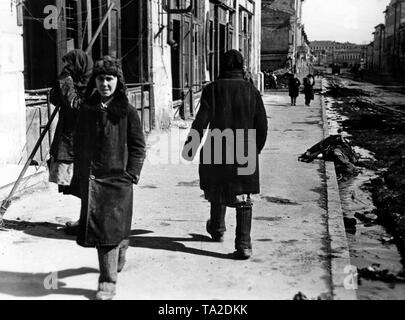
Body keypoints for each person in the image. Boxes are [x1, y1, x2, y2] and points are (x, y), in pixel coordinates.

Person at [72, 56, 146, 300]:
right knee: (104, 233)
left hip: (118, 181)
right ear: (95, 81)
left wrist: (131, 174)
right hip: (94, 181)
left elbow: (138, 147)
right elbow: (79, 142)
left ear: (118, 82)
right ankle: (112, 266)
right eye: (101, 79)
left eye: (110, 79)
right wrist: (81, 174)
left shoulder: (127, 112)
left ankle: (107, 281)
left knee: (112, 231)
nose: (105, 84)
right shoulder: (87, 109)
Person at [182, 50, 268, 260]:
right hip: (243, 148)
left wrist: (190, 149)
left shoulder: (212, 89)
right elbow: (262, 125)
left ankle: (218, 229)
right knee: (243, 195)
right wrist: (254, 149)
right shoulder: (251, 90)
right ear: (241, 66)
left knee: (217, 187)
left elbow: (201, 122)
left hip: (216, 146)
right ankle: (244, 244)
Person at [48, 49, 93, 235]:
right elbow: (55, 98)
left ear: (80, 65)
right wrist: (62, 82)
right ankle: (85, 220)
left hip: (86, 140)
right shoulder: (72, 80)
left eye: (70, 65)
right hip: (70, 138)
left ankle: (89, 223)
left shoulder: (93, 84)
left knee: (87, 183)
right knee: (76, 183)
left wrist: (65, 83)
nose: (67, 68)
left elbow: (76, 106)